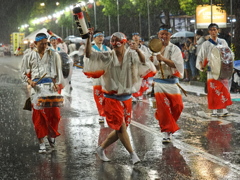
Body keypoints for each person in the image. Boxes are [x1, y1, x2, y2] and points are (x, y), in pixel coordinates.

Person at [84, 30, 155, 164]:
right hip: (111, 98)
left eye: (118, 43)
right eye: (113, 43)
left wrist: (138, 50)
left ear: (124, 43)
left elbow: (144, 62)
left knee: (120, 130)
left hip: (126, 98)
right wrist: (88, 39)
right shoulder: (107, 56)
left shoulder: (132, 55)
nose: (115, 46)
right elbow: (89, 55)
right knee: (121, 128)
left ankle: (101, 148)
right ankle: (133, 155)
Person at [21, 33, 65, 153]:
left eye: (46, 43)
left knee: (55, 114)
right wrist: (30, 81)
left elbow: (58, 71)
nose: (45, 46)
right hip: (37, 89)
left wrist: (57, 83)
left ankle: (51, 134)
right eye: (42, 44)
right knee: (38, 116)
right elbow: (23, 73)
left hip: (51, 87)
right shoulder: (28, 55)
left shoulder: (53, 54)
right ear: (35, 43)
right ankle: (41, 143)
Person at [150, 24, 184, 143]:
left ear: (170, 35)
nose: (164, 36)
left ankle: (167, 125)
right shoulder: (153, 49)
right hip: (159, 82)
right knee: (164, 107)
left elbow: (177, 65)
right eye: (162, 34)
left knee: (178, 106)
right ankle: (166, 132)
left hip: (172, 81)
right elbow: (151, 67)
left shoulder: (175, 48)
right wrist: (151, 62)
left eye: (166, 34)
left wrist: (163, 59)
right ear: (158, 35)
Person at [196, 23, 233, 116]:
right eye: (211, 30)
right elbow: (200, 57)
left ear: (218, 30)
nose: (213, 31)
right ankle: (214, 110)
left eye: (215, 29)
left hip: (222, 69)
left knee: (224, 89)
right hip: (211, 70)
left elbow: (229, 53)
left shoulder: (223, 42)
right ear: (209, 31)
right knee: (213, 90)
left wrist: (229, 64)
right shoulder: (205, 44)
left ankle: (224, 109)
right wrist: (201, 65)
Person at [91, 30, 111, 123]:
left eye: (102, 36)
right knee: (98, 96)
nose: (101, 38)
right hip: (97, 77)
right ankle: (101, 114)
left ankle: (107, 113)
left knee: (107, 96)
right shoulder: (91, 49)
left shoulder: (107, 49)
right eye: (98, 36)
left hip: (107, 76)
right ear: (94, 38)